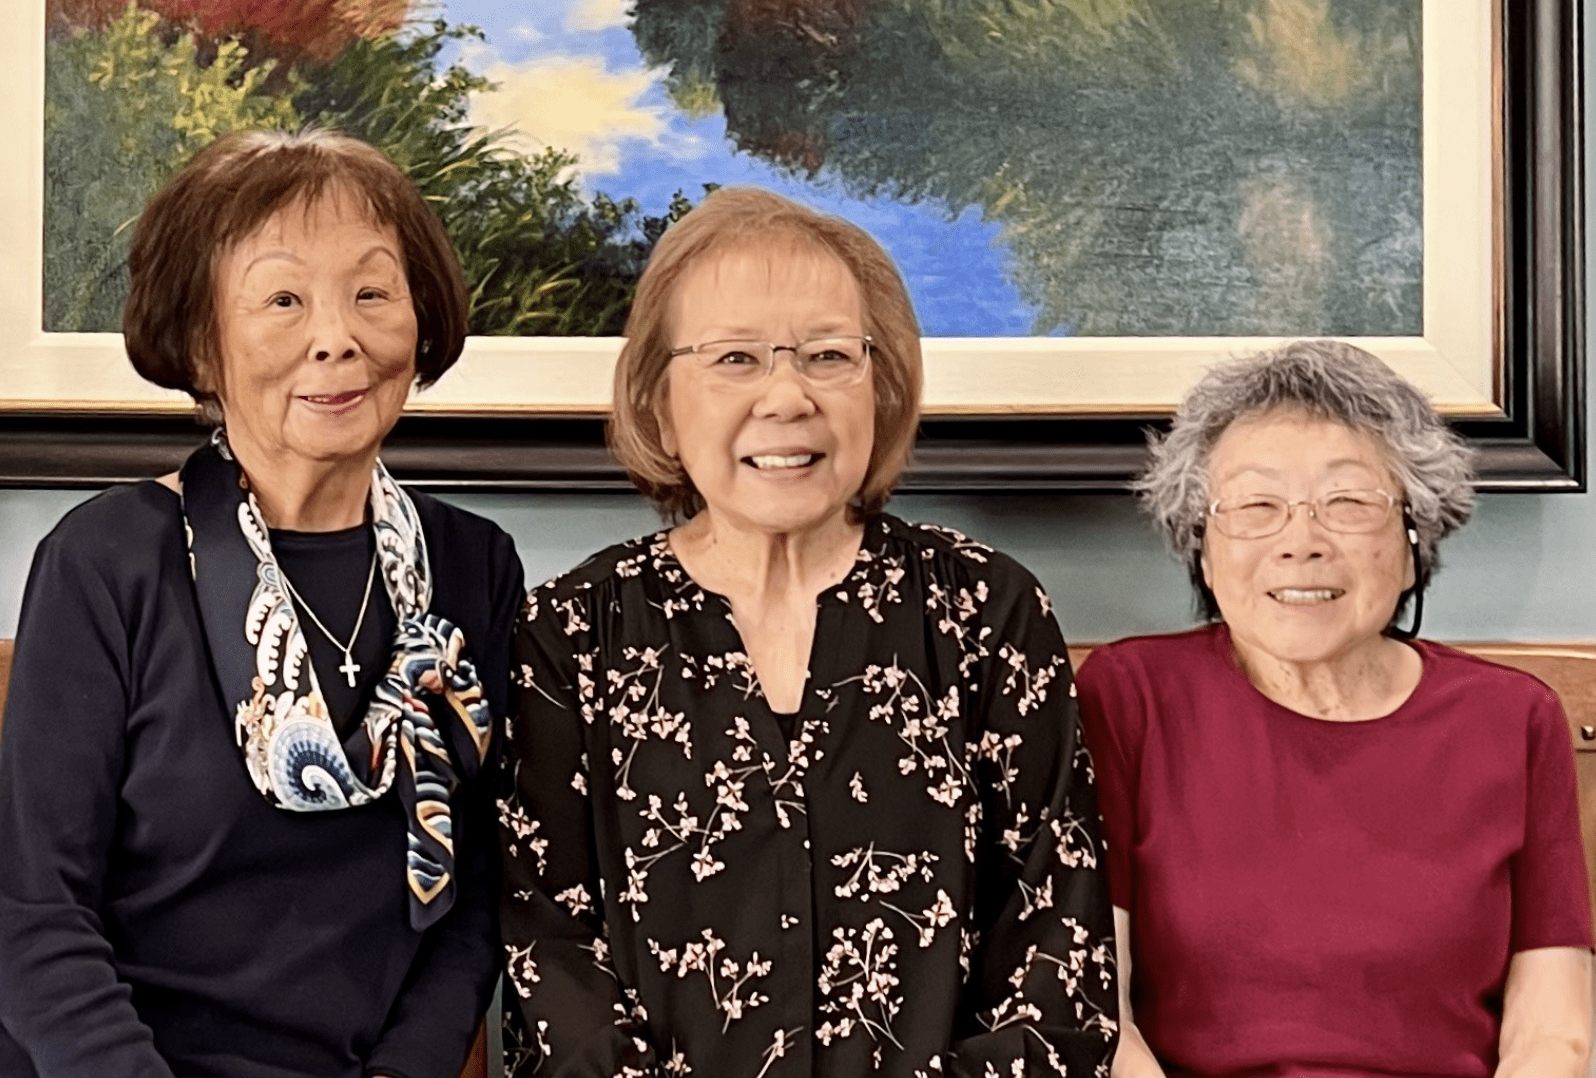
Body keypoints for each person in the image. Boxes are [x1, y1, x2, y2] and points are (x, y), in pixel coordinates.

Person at [497, 186, 1118, 1077]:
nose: (786, 396)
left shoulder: (987, 611)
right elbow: (547, 955)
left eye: (829, 355)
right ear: (661, 404)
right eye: (736, 358)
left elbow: (1060, 968)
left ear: (882, 386)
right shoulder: (571, 634)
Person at [0, 129, 523, 1078]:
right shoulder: (107, 561)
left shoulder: (472, 563)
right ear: (203, 342)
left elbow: (476, 890)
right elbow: (33, 910)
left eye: (372, 293)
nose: (338, 337)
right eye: (282, 299)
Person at [1077, 340, 1593, 1078]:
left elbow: (1554, 1033)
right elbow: (1098, 1012)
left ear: (1416, 537)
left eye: (1348, 503)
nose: (1301, 543)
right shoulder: (1130, 697)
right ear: (1202, 545)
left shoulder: (1513, 719)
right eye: (1256, 506)